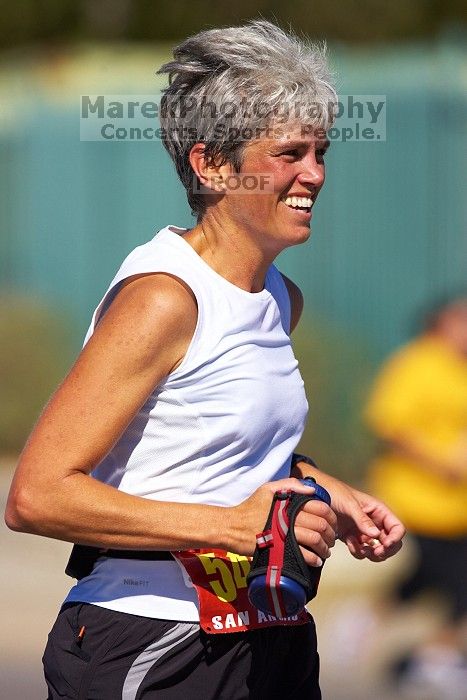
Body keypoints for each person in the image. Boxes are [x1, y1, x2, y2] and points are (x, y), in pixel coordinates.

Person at [5, 21, 404, 699]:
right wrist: (229, 527)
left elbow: (220, 448)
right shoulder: (164, 299)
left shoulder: (280, 297)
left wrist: (324, 489)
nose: (314, 173)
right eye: (288, 153)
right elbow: (37, 495)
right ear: (211, 165)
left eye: (320, 151)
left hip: (266, 630)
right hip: (153, 640)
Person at [365, 298, 467, 697]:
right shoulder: (415, 364)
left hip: (454, 505)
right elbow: (389, 424)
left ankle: (368, 620)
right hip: (417, 499)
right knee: (456, 579)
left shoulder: (459, 369)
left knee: (425, 579)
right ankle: (437, 657)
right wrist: (441, 463)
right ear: (440, 322)